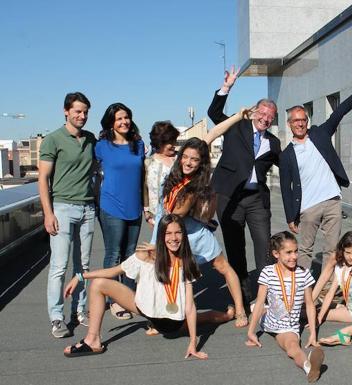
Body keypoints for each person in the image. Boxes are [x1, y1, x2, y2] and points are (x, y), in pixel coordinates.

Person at [62, 214, 232, 358]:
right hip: (144, 309)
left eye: (178, 233)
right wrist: (80, 276)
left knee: (208, 317)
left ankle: (229, 314)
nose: (174, 238)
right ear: (161, 236)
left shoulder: (187, 262)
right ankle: (93, 341)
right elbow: (113, 271)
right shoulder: (146, 256)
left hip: (173, 322)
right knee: (99, 284)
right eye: (168, 233)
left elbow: (189, 306)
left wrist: (193, 343)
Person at [152, 108, 255, 328]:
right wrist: (238, 115)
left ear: (201, 162)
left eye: (195, 160)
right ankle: (159, 314)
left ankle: (239, 310)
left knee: (223, 267)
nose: (189, 162)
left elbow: (214, 135)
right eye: (186, 157)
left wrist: (237, 118)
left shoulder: (198, 184)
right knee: (157, 268)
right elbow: (211, 135)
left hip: (192, 231)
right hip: (166, 227)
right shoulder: (174, 173)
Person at [280, 71, 352, 301]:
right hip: (308, 207)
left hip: (332, 201)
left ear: (306, 121)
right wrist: (291, 215)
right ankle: (302, 289)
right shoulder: (287, 154)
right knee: (306, 250)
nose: (300, 123)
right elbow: (286, 187)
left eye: (303, 120)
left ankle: (328, 289)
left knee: (331, 250)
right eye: (295, 121)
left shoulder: (319, 133)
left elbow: (337, 115)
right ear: (289, 124)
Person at [207, 66, 281, 302]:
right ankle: (243, 296)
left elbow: (289, 169)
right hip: (229, 197)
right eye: (262, 113)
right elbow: (214, 112)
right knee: (235, 249)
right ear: (254, 111)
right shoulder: (236, 126)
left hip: (256, 200)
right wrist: (227, 87)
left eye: (270, 116)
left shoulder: (274, 142)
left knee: (264, 248)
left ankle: (265, 295)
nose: (265, 118)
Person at [39, 92, 96, 338]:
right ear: (66, 111)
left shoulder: (91, 139)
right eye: (77, 111)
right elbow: (42, 179)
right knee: (59, 266)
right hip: (62, 207)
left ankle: (80, 311)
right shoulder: (53, 140)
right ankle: (56, 317)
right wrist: (48, 213)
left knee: (82, 266)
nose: (82, 116)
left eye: (85, 112)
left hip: (87, 208)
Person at [245, 231, 325, 383]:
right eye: (288, 252)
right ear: (276, 253)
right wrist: (251, 332)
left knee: (292, 346)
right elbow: (261, 300)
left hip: (287, 327)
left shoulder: (304, 273)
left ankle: (309, 367)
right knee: (257, 307)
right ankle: (250, 312)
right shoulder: (268, 272)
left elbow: (309, 304)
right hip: (268, 319)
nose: (294, 256)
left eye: (296, 251)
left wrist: (313, 334)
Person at [96, 103, 145, 320]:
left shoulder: (139, 144)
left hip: (134, 206)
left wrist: (147, 205)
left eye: (126, 117)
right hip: (111, 205)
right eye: (118, 119)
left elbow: (143, 176)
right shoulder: (102, 146)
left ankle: (128, 296)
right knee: (114, 253)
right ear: (111, 123)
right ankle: (114, 300)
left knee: (131, 255)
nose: (123, 122)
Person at [143, 121, 179, 227]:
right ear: (160, 142)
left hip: (178, 212)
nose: (174, 145)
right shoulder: (148, 162)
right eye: (170, 142)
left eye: (174, 141)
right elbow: (145, 188)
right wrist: (147, 212)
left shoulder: (180, 159)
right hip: (156, 214)